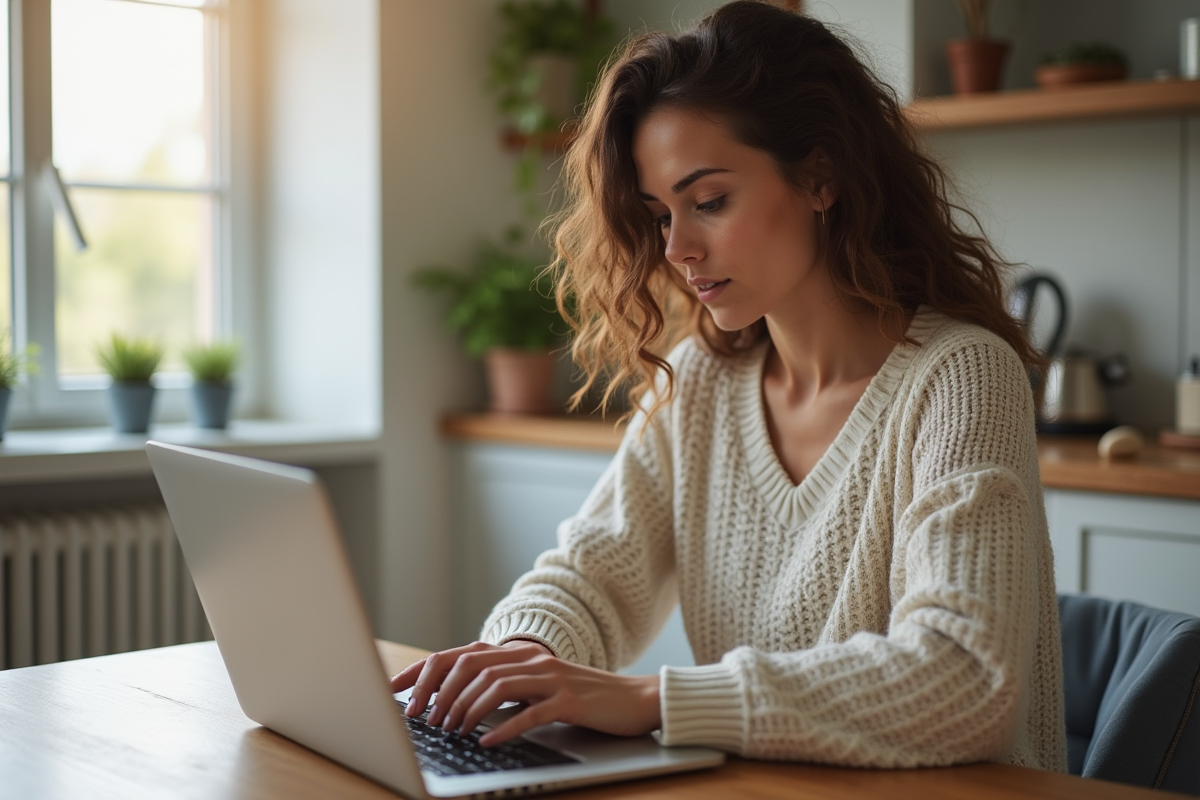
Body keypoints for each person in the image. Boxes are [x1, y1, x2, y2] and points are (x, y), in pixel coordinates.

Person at [392, 0, 1067, 771]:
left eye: (708, 201)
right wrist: (521, 659)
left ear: (821, 176)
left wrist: (654, 701)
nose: (677, 247)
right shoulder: (704, 375)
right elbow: (594, 575)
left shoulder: (960, 376)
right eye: (658, 214)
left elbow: (964, 677)